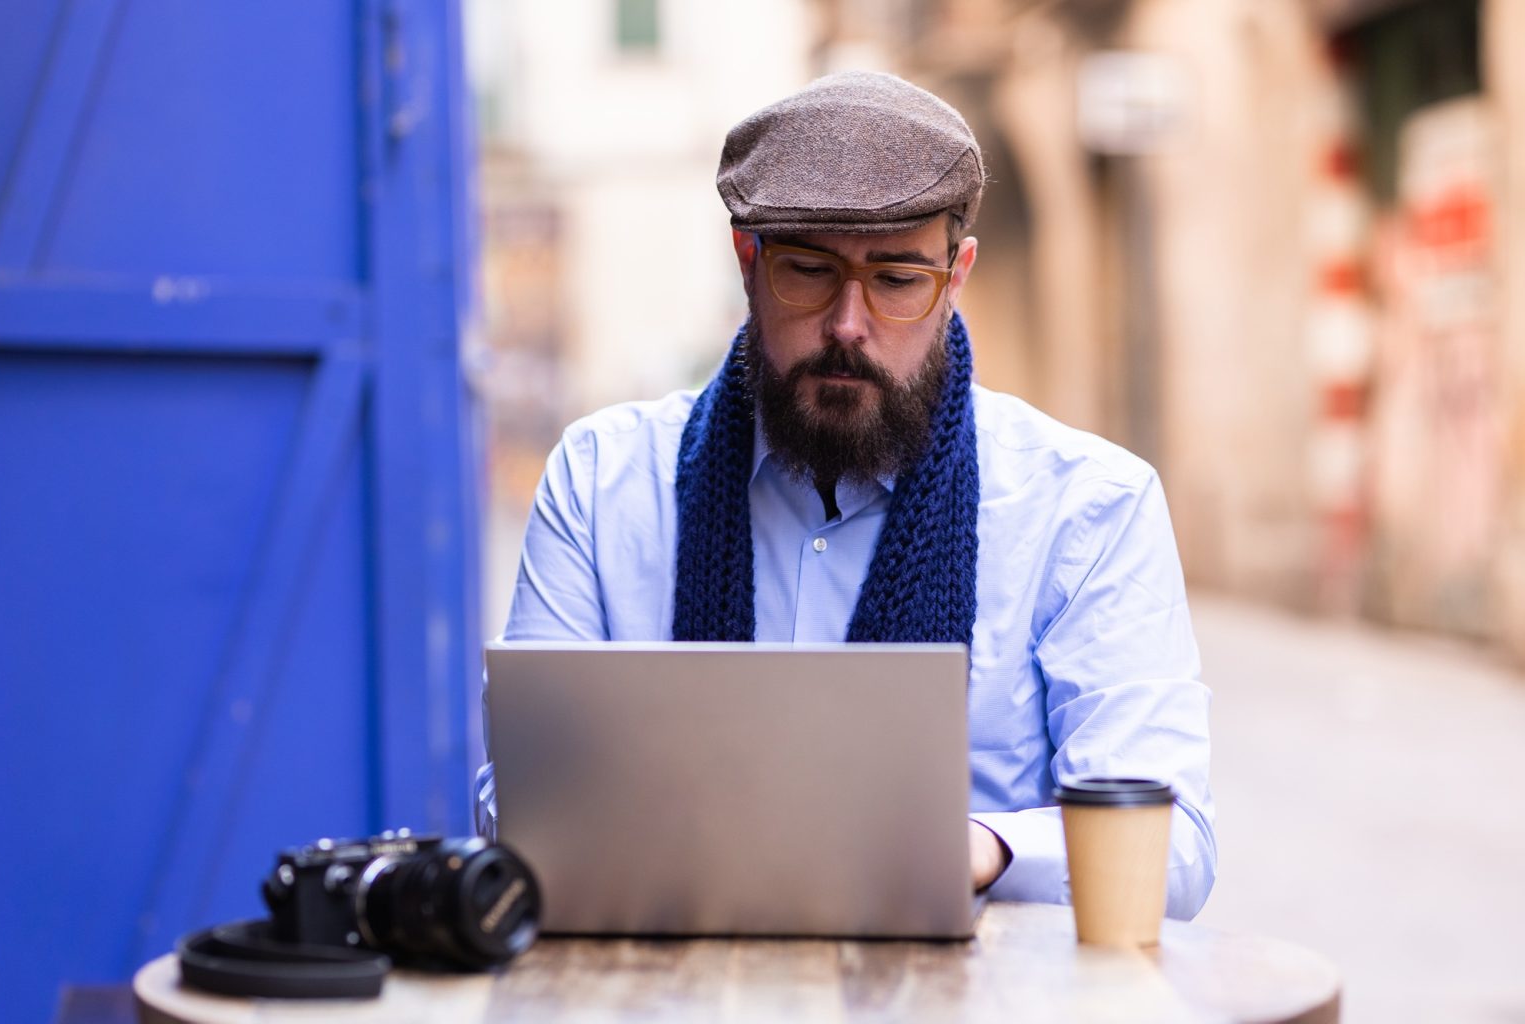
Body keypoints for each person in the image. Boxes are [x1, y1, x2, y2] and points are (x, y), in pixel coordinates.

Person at [475, 71, 1215, 915]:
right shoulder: (599, 482)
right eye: (809, 272)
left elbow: (1171, 851)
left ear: (955, 278)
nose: (848, 326)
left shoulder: (1090, 507)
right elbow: (520, 810)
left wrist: (973, 847)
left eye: (897, 280)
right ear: (748, 263)